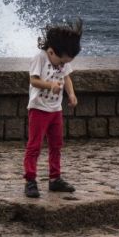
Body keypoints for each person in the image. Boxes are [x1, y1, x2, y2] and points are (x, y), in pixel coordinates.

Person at [23, 19, 82, 198]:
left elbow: (67, 78)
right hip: (39, 109)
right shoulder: (39, 58)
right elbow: (33, 80)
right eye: (61, 61)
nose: (62, 65)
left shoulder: (63, 60)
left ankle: (55, 179)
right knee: (34, 146)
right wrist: (50, 85)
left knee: (57, 145)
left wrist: (71, 94)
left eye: (66, 62)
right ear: (51, 51)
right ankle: (30, 180)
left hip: (55, 110)